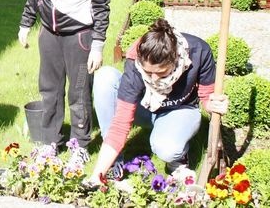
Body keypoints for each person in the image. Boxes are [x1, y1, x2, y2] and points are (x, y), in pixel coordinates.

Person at [87, 19, 230, 185]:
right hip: (145, 108)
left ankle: (177, 160)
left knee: (167, 148)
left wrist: (213, 104)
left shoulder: (199, 52)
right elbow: (120, 123)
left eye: (161, 73)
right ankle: (112, 161)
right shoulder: (135, 61)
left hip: (179, 110)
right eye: (148, 72)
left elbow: (206, 95)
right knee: (105, 77)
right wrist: (96, 175)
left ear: (175, 60)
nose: (153, 78)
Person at [18, 0, 110, 148]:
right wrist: (26, 24)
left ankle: (80, 144)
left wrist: (97, 45)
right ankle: (50, 142)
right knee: (49, 89)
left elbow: (101, 5)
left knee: (79, 92)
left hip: (79, 37)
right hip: (49, 33)